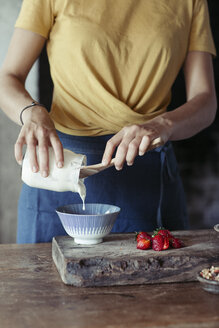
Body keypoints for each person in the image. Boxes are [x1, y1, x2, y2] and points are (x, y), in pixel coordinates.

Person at [0, 0, 217, 243]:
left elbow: (205, 100)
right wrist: (31, 112)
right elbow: (8, 78)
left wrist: (162, 125)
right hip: (56, 170)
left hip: (146, 174)